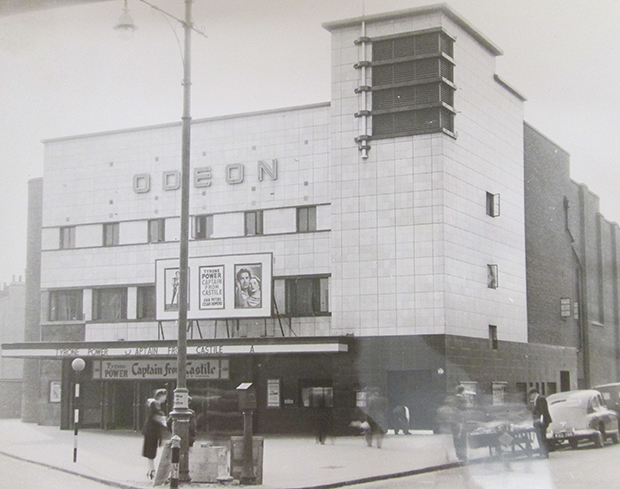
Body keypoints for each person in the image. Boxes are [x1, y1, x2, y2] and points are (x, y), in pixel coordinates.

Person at [142, 389, 168, 480]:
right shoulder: (155, 404)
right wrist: (164, 420)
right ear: (161, 396)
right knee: (151, 452)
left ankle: (151, 470)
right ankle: (152, 471)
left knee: (151, 451)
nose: (165, 398)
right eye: (165, 396)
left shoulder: (155, 405)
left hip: (151, 432)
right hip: (151, 432)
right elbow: (157, 417)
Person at [529, 387, 552, 458]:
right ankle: (543, 452)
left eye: (531, 395)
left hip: (541, 422)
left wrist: (540, 420)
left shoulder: (540, 399)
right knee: (540, 438)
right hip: (540, 422)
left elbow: (542, 411)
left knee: (542, 438)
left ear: (534, 393)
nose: (531, 397)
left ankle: (544, 453)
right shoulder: (537, 400)